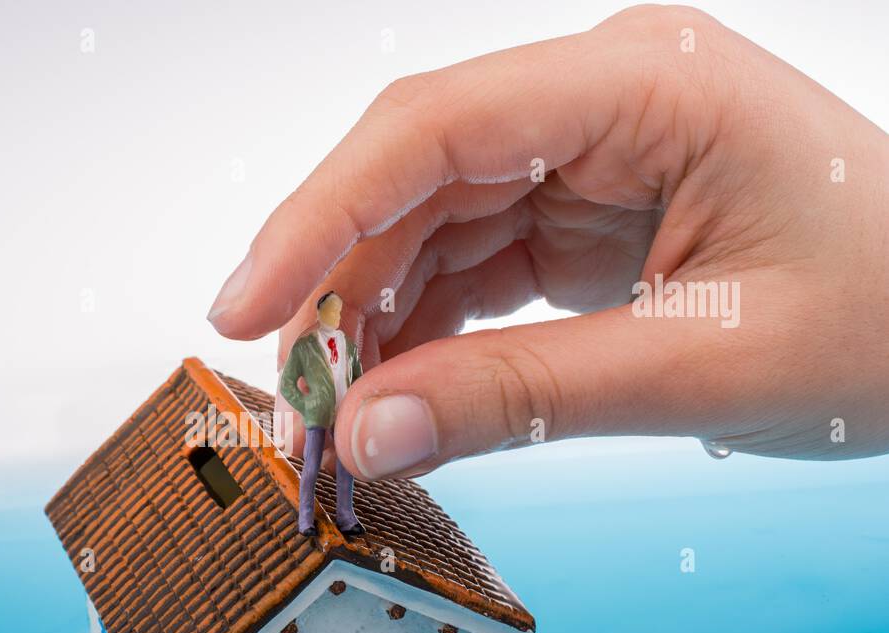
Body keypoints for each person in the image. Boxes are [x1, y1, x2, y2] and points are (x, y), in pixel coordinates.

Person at [206, 5, 889, 480]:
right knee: (317, 476)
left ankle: (330, 508)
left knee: (335, 480)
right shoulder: (311, 351)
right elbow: (301, 376)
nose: (328, 314)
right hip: (325, 427)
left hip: (331, 431)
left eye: (328, 311)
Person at [279, 291, 364, 536]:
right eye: (330, 310)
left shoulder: (348, 345)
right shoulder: (304, 346)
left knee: (346, 464)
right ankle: (305, 519)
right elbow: (287, 383)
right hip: (316, 412)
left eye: (338, 310)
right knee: (312, 465)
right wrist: (306, 405)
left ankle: (345, 517)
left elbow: (358, 378)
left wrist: (358, 404)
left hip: (344, 413)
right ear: (319, 313)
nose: (335, 315)